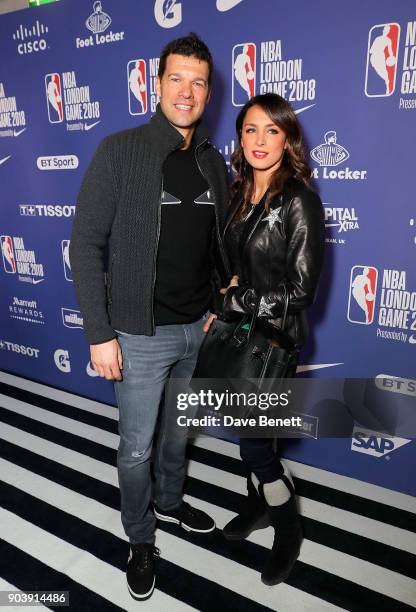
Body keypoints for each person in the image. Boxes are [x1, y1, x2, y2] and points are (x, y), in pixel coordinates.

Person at [69, 33, 230, 601]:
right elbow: (84, 244)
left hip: (196, 330)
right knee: (135, 446)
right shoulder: (121, 149)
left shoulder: (214, 161)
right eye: (177, 79)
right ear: (157, 83)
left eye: (199, 82)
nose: (187, 92)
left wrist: (215, 307)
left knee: (179, 433)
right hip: (137, 336)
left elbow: (218, 246)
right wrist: (99, 333)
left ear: (209, 92)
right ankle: (139, 536)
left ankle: (169, 501)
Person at [213, 93, 325, 585]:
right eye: (250, 129)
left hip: (275, 341)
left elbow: (301, 291)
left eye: (271, 130)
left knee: (257, 449)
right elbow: (234, 265)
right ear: (239, 138)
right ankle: (258, 506)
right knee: (247, 435)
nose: (259, 140)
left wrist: (239, 300)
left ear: (287, 138)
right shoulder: (240, 193)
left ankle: (288, 527)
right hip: (240, 337)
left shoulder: (298, 199)